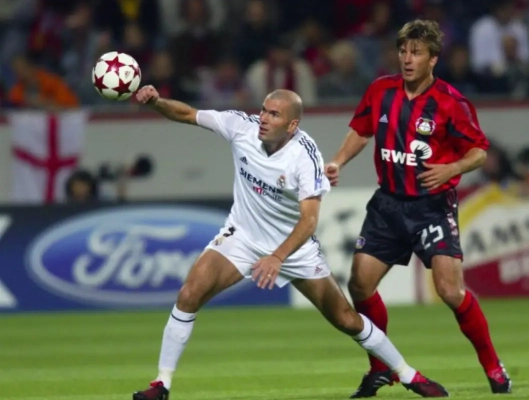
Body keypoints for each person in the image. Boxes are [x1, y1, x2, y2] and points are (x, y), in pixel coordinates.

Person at [132, 86, 449, 400]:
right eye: (263, 110)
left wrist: (278, 256)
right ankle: (161, 385)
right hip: (242, 237)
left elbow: (309, 221)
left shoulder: (305, 157)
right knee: (188, 295)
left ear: (292, 125)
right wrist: (157, 102)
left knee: (346, 319)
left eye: (274, 114)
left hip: (295, 249)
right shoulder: (240, 127)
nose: (263, 118)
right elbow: (187, 114)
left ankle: (408, 374)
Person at [324, 20, 512, 398]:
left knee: (450, 291)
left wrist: (452, 168)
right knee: (359, 284)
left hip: (431, 206)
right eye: (403, 51)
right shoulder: (381, 90)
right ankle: (380, 368)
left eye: (417, 53)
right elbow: (362, 130)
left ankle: (493, 366)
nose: (407, 59)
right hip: (388, 205)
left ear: (433, 59)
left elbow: (479, 151)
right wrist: (338, 161)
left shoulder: (451, 102)